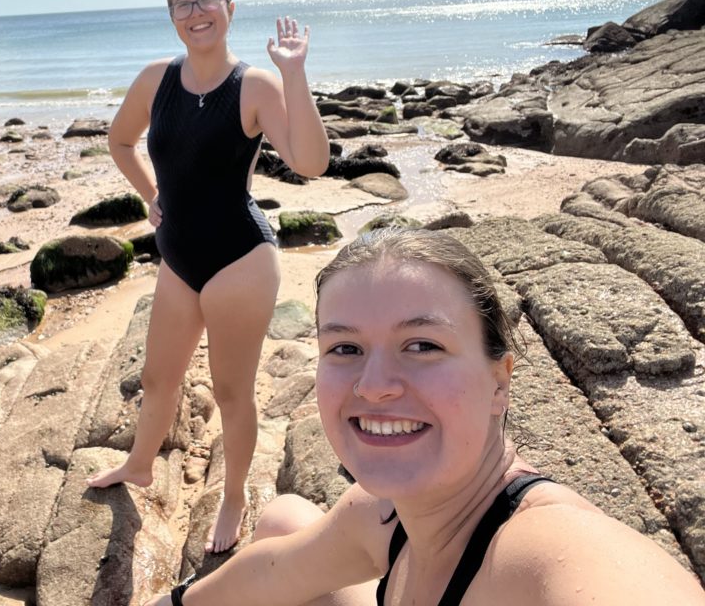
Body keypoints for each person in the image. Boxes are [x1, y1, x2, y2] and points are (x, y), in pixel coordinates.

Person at [145, 228, 705, 604]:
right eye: (345, 348)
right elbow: (271, 571)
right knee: (284, 519)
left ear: (498, 382)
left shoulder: (549, 557)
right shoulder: (383, 516)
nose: (375, 387)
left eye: (422, 345)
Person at [85, 0, 330, 553]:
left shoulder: (254, 87)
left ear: (230, 7)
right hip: (177, 258)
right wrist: (152, 197)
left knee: (230, 393)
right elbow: (120, 142)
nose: (196, 12)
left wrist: (293, 74)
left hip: (239, 261)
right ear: (171, 17)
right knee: (157, 377)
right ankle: (139, 465)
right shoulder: (155, 80)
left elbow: (311, 161)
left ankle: (235, 497)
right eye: (183, 4)